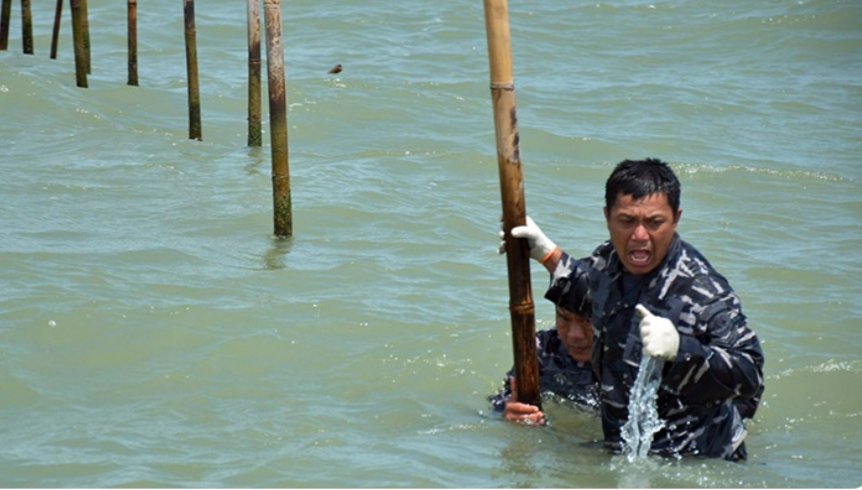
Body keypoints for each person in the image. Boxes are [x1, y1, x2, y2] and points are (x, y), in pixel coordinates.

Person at [507, 158, 764, 461]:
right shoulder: (608, 260)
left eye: (654, 223)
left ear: (676, 219)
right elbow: (591, 291)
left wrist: (681, 350)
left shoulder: (703, 291)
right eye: (626, 221)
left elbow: (750, 374)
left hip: (695, 459)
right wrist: (545, 252)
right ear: (607, 217)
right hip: (624, 449)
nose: (639, 236)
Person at [489, 271, 599, 425]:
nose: (574, 335)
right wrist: (510, 413)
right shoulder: (542, 350)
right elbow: (499, 404)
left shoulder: (629, 356)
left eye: (588, 321)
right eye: (564, 318)